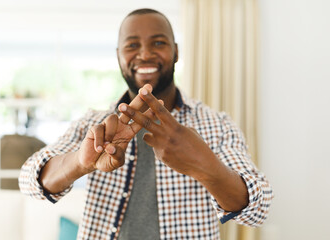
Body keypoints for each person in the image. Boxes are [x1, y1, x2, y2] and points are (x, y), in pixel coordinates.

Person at [19, 8, 273, 240]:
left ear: (176, 52)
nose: (145, 54)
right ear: (119, 56)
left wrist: (205, 166)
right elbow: (29, 182)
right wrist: (79, 163)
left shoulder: (216, 124)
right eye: (132, 45)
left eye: (158, 43)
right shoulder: (93, 125)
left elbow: (258, 208)